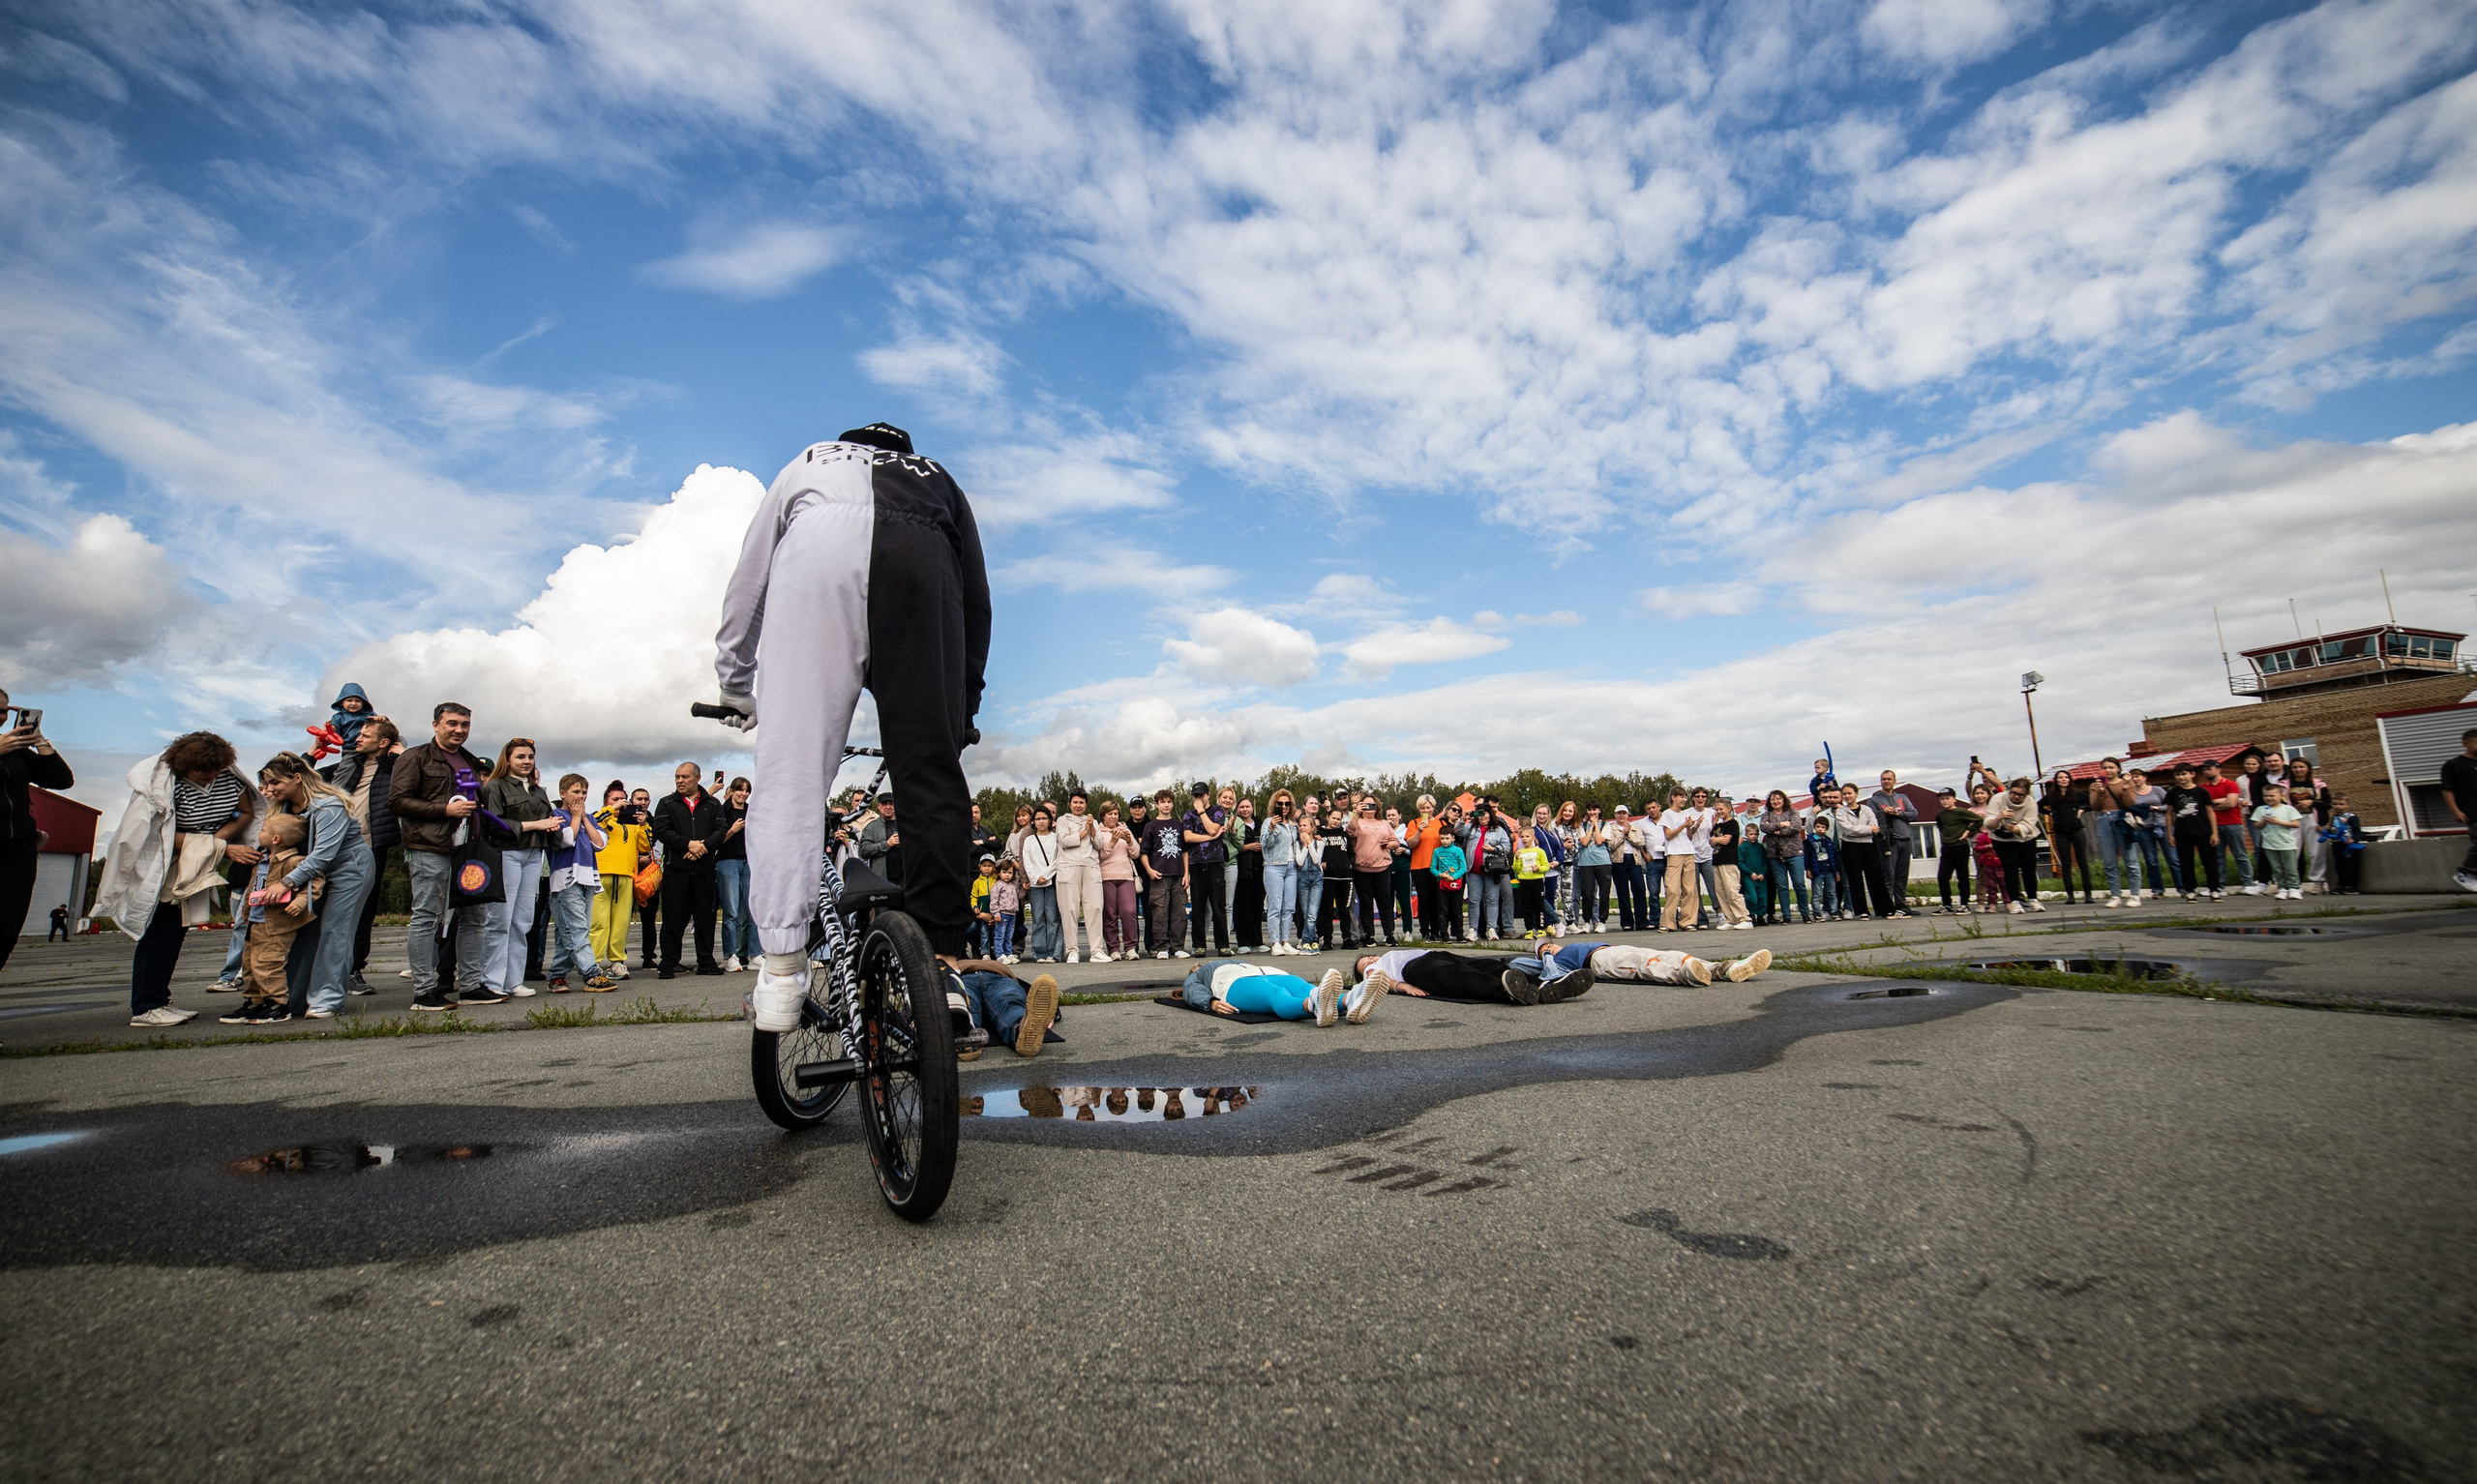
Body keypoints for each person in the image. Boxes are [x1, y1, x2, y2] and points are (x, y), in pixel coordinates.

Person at [708, 422, 990, 1034]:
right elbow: (975, 598)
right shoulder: (938, 476)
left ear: (848, 442)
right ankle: (942, 970)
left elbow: (750, 577)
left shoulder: (807, 458)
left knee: (791, 775)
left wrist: (735, 680)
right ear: (905, 454)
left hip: (817, 558)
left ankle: (782, 969)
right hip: (922, 565)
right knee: (931, 778)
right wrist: (960, 710)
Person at [95, 731, 260, 1026]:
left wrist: (213, 841)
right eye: (201, 771)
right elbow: (158, 833)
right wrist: (217, 846)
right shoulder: (165, 787)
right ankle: (146, 1006)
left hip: (199, 860)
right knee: (158, 932)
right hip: (165, 862)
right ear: (184, 766)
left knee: (175, 933)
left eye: (214, 770)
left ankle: (159, 999)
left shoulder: (227, 779)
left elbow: (245, 812)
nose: (209, 777)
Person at [384, 704, 501, 1011]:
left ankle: (472, 987)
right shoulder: (416, 757)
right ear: (435, 724)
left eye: (465, 724)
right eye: (452, 723)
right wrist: (444, 810)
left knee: (475, 918)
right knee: (427, 917)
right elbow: (396, 801)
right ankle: (424, 992)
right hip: (429, 847)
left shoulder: (470, 760)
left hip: (469, 851)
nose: (459, 729)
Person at [255, 751, 376, 1020]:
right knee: (304, 930)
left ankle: (328, 999)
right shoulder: (283, 808)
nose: (270, 789)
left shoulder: (328, 805)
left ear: (297, 778)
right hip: (310, 874)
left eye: (275, 782)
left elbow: (324, 854)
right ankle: (294, 999)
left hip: (349, 869)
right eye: (267, 783)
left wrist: (286, 883)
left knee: (335, 931)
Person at [478, 738, 561, 997]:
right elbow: (493, 823)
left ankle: (514, 981)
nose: (526, 762)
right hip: (506, 854)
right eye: (520, 757)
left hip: (533, 855)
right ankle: (492, 981)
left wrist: (553, 827)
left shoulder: (538, 791)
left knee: (523, 921)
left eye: (530, 757)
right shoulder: (495, 786)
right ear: (508, 759)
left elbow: (549, 820)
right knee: (500, 919)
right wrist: (535, 825)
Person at [219, 811, 317, 1024]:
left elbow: (315, 881)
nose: (259, 833)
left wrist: (300, 902)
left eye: (262, 830)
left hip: (276, 925)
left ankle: (277, 1005)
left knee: (268, 964)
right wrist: (245, 911)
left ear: (276, 839)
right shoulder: (262, 859)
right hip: (255, 922)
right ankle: (255, 1002)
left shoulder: (294, 861)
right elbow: (253, 887)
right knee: (250, 964)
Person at [325, 717, 402, 993]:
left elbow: (414, 766)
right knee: (327, 908)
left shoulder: (392, 768)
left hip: (370, 846)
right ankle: (320, 970)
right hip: (333, 846)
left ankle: (353, 970)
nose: (358, 738)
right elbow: (304, 775)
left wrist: (398, 742)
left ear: (383, 743)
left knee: (363, 910)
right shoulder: (347, 765)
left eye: (365, 735)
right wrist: (312, 750)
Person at [0, 692, 73, 971]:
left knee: (6, 929)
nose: (2, 717)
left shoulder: (17, 752)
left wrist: (38, 739)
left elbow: (61, 779)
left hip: (17, 848)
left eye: (4, 711)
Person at [653, 760, 726, 979]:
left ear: (697, 777)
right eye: (677, 777)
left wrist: (702, 846)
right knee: (673, 919)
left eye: (685, 777)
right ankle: (668, 963)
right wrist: (688, 845)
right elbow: (661, 830)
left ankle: (706, 962)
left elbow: (721, 830)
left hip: (704, 871)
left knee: (706, 919)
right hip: (677, 871)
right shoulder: (667, 803)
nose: (680, 781)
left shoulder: (713, 804)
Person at [541, 773, 612, 993]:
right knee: (577, 928)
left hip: (587, 877)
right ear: (563, 793)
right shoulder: (555, 815)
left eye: (583, 792)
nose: (580, 797)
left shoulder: (590, 818)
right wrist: (573, 817)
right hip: (565, 879)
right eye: (575, 792)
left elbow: (600, 843)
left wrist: (583, 818)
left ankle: (557, 975)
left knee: (568, 930)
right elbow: (564, 840)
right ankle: (591, 973)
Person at [1349, 945, 1576, 1007]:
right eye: (1364, 966)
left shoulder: (1386, 955)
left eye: (1368, 958)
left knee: (1486, 964)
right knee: (1461, 976)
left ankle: (1543, 986)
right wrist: (1401, 986)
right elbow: (1375, 981)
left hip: (1432, 954)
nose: (1369, 962)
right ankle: (1507, 992)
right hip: (1412, 969)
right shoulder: (1377, 970)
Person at [1180, 957, 1357, 1026]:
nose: (1201, 964)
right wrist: (1212, 1001)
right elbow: (1191, 990)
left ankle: (1350, 1000)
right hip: (1234, 984)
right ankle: (1312, 1005)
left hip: (1268, 971)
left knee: (1306, 988)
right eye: (1196, 966)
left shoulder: (1232, 960)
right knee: (1276, 994)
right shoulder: (1199, 975)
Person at [588, 783, 649, 978]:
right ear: (606, 802)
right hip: (601, 875)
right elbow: (593, 821)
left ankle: (616, 962)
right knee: (598, 922)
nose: (620, 803)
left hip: (625, 876)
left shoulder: (631, 824)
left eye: (623, 800)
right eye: (615, 799)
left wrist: (643, 824)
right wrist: (610, 810)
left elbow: (645, 845)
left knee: (621, 923)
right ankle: (593, 963)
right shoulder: (601, 819)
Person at [946, 959, 1059, 1057]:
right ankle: (966, 1032)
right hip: (965, 977)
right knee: (1008, 1001)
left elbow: (1034, 995)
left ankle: (1023, 1028)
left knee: (1010, 1000)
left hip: (998, 976)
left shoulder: (951, 960)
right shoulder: (948, 961)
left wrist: (1047, 1014)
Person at [1053, 789, 1107, 963]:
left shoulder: (1093, 821)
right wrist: (1084, 831)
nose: (1078, 805)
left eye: (1082, 803)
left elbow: (1099, 844)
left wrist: (1091, 828)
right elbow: (1065, 841)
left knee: (1095, 908)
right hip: (1069, 866)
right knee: (1069, 909)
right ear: (1070, 803)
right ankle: (1072, 950)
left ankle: (1096, 950)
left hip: (1090, 866)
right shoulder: (1062, 820)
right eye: (1075, 802)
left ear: (1086, 805)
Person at [1978, 775, 2045, 912]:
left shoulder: (2031, 802)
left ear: (2026, 794)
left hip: (2026, 836)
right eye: (2013, 793)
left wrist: (2015, 828)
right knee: (2010, 867)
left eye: (2020, 795)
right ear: (2009, 790)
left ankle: (2033, 899)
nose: (2015, 797)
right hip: (2001, 838)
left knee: (2029, 867)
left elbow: (2030, 823)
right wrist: (2000, 818)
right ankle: (2014, 902)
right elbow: (1988, 823)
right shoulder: (1998, 799)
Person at [2085, 757, 2146, 907]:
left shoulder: (2127, 782)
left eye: (2111, 767)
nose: (2108, 770)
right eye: (2105, 767)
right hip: (2103, 819)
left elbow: (2130, 804)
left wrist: (2126, 789)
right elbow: (2095, 806)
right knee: (2109, 861)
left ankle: (2134, 895)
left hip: (2122, 819)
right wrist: (2100, 792)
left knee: (2130, 860)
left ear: (2118, 768)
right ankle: (2115, 895)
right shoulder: (2095, 785)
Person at [1831, 784, 1896, 920]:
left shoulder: (1867, 809)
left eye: (1850, 793)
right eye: (1845, 794)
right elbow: (1848, 829)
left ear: (1856, 794)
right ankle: (1862, 911)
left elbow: (1875, 827)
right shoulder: (1841, 811)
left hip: (1868, 845)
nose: (1847, 796)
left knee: (1876, 877)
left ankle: (1886, 909)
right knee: (1855, 879)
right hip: (1850, 846)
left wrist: (1865, 829)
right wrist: (1867, 829)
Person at [1180, 783, 1231, 956]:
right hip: (1196, 863)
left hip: (1215, 862)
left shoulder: (1217, 811)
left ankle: (1223, 944)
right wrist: (1211, 836)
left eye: (1201, 795)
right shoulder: (1188, 814)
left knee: (1218, 905)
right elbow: (1187, 837)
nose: (1199, 799)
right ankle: (1199, 944)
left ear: (1208, 795)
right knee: (1198, 907)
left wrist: (1202, 812)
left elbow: (1213, 827)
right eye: (1196, 796)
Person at [1138, 788, 1188, 959]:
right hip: (1159, 876)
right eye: (1163, 802)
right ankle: (1162, 948)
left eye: (1169, 802)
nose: (1166, 805)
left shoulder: (1180, 826)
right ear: (1157, 804)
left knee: (1180, 914)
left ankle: (1178, 947)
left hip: (1178, 875)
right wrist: (1149, 870)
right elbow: (1143, 852)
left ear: (1172, 804)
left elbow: (1185, 852)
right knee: (1160, 913)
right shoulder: (1150, 826)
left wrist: (1186, 873)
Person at [711, 777, 753, 970]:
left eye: (746, 791)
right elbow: (716, 841)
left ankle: (754, 954)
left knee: (751, 911)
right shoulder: (722, 810)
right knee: (732, 912)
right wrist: (733, 830)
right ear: (732, 791)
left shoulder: (751, 811)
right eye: (740, 790)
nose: (743, 794)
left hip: (749, 862)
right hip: (727, 861)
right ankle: (730, 954)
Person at [2037, 767, 2096, 905]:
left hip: (2076, 830)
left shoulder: (2076, 793)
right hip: (2060, 832)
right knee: (2066, 864)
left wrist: (2082, 809)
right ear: (2056, 781)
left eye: (2065, 778)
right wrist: (2048, 813)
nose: (2063, 780)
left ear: (2069, 780)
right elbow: (2039, 805)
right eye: (2060, 778)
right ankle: (2070, 895)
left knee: (2082, 862)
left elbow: (2091, 804)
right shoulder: (2052, 796)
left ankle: (2088, 894)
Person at [2164, 764, 2221, 901]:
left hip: (2203, 831)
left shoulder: (2202, 792)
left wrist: (2214, 832)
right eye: (2178, 775)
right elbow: (2169, 814)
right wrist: (2170, 834)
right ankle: (2190, 890)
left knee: (2210, 862)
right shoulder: (2173, 793)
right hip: (2182, 833)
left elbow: (2210, 812)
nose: (2181, 777)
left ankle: (2214, 889)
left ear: (2192, 774)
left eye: (2184, 774)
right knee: (2186, 863)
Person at [2201, 760, 2259, 897]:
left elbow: (2231, 803)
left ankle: (2248, 884)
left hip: (2233, 824)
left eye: (2209, 769)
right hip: (2213, 826)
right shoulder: (2203, 788)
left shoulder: (2231, 784)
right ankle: (2218, 886)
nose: (2206, 772)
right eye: (2204, 769)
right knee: (2217, 857)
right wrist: (2221, 801)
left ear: (2218, 769)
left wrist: (2213, 804)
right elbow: (2203, 808)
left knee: (2240, 854)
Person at [1349, 795, 1399, 945]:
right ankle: (1369, 935)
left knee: (1385, 902)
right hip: (1361, 869)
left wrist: (1389, 844)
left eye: (1372, 805)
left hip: (1382, 868)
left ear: (1377, 807)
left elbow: (1396, 842)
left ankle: (1389, 934)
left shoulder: (1384, 823)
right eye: (1365, 805)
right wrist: (1356, 813)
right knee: (1365, 903)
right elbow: (1350, 832)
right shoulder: (1358, 822)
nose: (1369, 808)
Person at [1096, 799, 1142, 961]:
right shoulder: (1098, 832)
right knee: (1110, 914)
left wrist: (1129, 840)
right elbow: (1100, 855)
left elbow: (1136, 853)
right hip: (1106, 876)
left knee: (1129, 912)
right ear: (1103, 815)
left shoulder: (1124, 828)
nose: (1113, 816)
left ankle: (1130, 947)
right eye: (1110, 813)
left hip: (1126, 877)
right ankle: (1113, 948)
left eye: (1116, 813)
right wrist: (1113, 841)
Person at [1018, 803, 1062, 962]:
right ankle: (1039, 952)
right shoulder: (1029, 840)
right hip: (1035, 885)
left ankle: (1053, 952)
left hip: (1051, 883)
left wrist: (1046, 875)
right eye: (1038, 819)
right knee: (1038, 919)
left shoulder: (1056, 838)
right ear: (1033, 821)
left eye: (1044, 818)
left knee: (1052, 918)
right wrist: (1035, 877)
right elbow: (1026, 860)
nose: (1041, 821)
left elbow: (1059, 859)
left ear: (1050, 820)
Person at [1260, 790, 1301, 955]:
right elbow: (1265, 844)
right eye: (1280, 804)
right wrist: (1271, 828)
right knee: (1275, 905)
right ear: (1274, 805)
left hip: (1292, 867)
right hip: (1274, 866)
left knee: (1289, 907)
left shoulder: (1293, 824)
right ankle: (1275, 942)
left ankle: (1285, 941)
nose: (1283, 807)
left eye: (1287, 804)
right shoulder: (1268, 822)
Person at [1869, 771, 1918, 910]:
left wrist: (1899, 813)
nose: (1886, 781)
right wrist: (1884, 812)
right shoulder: (1875, 800)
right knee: (1889, 874)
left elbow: (1914, 814)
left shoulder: (1902, 797)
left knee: (1902, 874)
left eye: (1889, 779)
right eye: (1883, 779)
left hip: (1905, 838)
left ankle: (1901, 903)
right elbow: (1871, 817)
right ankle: (1887, 905)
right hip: (1889, 841)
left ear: (1894, 781)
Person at [1656, 789, 1700, 932]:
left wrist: (1693, 827)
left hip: (1688, 852)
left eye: (1685, 797)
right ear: (1673, 797)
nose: (1683, 799)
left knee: (1690, 889)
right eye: (1681, 796)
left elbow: (1689, 836)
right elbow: (1668, 835)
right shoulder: (1667, 814)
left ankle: (1687, 921)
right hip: (1674, 854)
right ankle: (1667, 923)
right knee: (1673, 889)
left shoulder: (1686, 814)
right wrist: (1683, 826)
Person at [2253, 784, 2306, 900]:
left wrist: (2280, 822)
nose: (2269, 798)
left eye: (2272, 795)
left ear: (2281, 795)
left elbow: (2296, 824)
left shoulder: (2288, 809)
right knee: (2276, 868)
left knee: (2290, 867)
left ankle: (2294, 888)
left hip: (2287, 844)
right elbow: (2257, 826)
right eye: (2266, 796)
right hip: (2269, 845)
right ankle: (2282, 888)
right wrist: (2264, 822)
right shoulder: (2261, 809)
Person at [1931, 787, 1980, 913]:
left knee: (1962, 876)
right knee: (1942, 877)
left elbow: (1979, 820)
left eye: (1947, 798)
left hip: (1960, 847)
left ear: (1954, 799)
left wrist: (1968, 831)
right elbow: (1940, 826)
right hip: (1947, 848)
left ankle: (1964, 904)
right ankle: (1947, 905)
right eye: (1942, 799)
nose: (1945, 801)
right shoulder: (1940, 814)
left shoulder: (1961, 812)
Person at [2442, 728, 2477, 894]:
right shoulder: (2454, 765)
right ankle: (2466, 871)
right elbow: (2448, 790)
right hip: (2473, 811)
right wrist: (2455, 811)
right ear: (2465, 743)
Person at [1233, 795, 1268, 953]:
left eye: (1247, 807)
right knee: (1242, 907)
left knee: (1257, 906)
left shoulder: (1260, 823)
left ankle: (1257, 941)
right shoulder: (1235, 824)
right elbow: (1231, 846)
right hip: (1242, 870)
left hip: (1260, 869)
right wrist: (1248, 847)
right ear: (1237, 809)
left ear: (1252, 808)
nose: (1245, 809)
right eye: (1242, 807)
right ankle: (1243, 942)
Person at [1708, 806, 1752, 930]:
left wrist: (1715, 839)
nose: (1719, 812)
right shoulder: (1717, 826)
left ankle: (1744, 918)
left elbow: (1725, 840)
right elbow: (1711, 842)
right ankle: (1731, 918)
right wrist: (1715, 837)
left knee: (1731, 889)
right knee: (1721, 891)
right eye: (1717, 809)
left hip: (1728, 861)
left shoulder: (1733, 823)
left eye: (1722, 809)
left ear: (1729, 809)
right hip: (1717, 860)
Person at [1572, 803, 1612, 931]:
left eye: (1594, 809)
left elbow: (1600, 840)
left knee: (1604, 892)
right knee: (1587, 893)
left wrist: (1596, 826)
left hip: (1602, 861)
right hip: (1586, 862)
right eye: (1589, 810)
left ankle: (1601, 921)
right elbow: (1584, 842)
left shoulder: (1606, 825)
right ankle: (1587, 921)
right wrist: (1590, 828)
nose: (1592, 812)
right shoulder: (1582, 826)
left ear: (1599, 810)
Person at [1804, 807, 1844, 919]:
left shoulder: (1829, 841)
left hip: (1829, 871)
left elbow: (1833, 857)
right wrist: (1808, 869)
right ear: (1814, 827)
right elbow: (1807, 857)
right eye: (1818, 827)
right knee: (1817, 894)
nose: (1820, 829)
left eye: (1823, 827)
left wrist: (1836, 871)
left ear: (1826, 829)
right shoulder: (1809, 841)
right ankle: (1817, 913)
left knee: (1832, 893)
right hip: (1817, 871)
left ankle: (1834, 911)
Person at [2322, 792, 2367, 896]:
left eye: (2341, 804)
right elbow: (2333, 830)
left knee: (2350, 865)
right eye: (2335, 804)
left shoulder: (2351, 817)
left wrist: (2353, 839)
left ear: (2347, 805)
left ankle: (2352, 886)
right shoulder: (2334, 817)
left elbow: (2358, 832)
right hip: (2337, 843)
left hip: (2349, 845)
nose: (2337, 806)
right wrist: (2325, 831)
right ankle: (2342, 885)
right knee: (2339, 865)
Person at [988, 859, 1024, 963]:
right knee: (1000, 935)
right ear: (999, 873)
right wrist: (996, 913)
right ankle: (999, 954)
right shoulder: (998, 885)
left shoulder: (1013, 886)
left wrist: (1024, 889)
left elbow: (1019, 897)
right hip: (1002, 914)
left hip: (1012, 914)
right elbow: (993, 901)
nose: (1007, 875)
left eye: (1009, 872)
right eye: (1004, 872)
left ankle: (1008, 953)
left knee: (1009, 936)